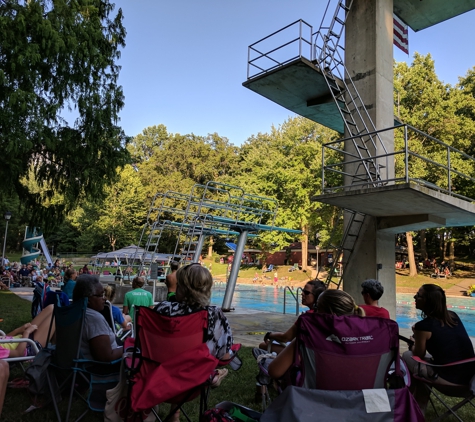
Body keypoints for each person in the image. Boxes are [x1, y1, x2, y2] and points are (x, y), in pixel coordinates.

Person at [154, 263, 235, 422]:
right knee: (212, 362)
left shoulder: (163, 309)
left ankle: (173, 414)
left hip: (158, 378)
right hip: (194, 381)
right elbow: (224, 356)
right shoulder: (213, 314)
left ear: (181, 287)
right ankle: (215, 376)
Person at [402, 284, 475, 414]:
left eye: (418, 295)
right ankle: (417, 407)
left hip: (451, 384)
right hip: (470, 380)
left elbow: (418, 354)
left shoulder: (423, 327)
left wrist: (414, 342)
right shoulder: (453, 316)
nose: (414, 297)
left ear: (428, 301)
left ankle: (414, 406)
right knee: (424, 365)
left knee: (408, 356)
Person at [268, 289, 364, 380]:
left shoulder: (307, 338)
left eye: (316, 308)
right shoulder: (363, 340)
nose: (314, 312)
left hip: (313, 394)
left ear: (331, 315)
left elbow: (274, 371)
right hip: (353, 394)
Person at [259, 279, 326, 354]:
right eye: (303, 291)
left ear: (317, 296)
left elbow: (286, 337)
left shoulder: (307, 318)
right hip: (319, 352)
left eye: (306, 292)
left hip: (305, 354)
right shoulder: (327, 315)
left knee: (263, 345)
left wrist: (269, 334)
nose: (302, 294)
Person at [72, 274, 123, 362]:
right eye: (100, 295)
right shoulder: (93, 318)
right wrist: (128, 348)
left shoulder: (75, 312)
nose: (104, 299)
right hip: (104, 370)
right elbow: (106, 357)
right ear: (88, 299)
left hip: (76, 368)